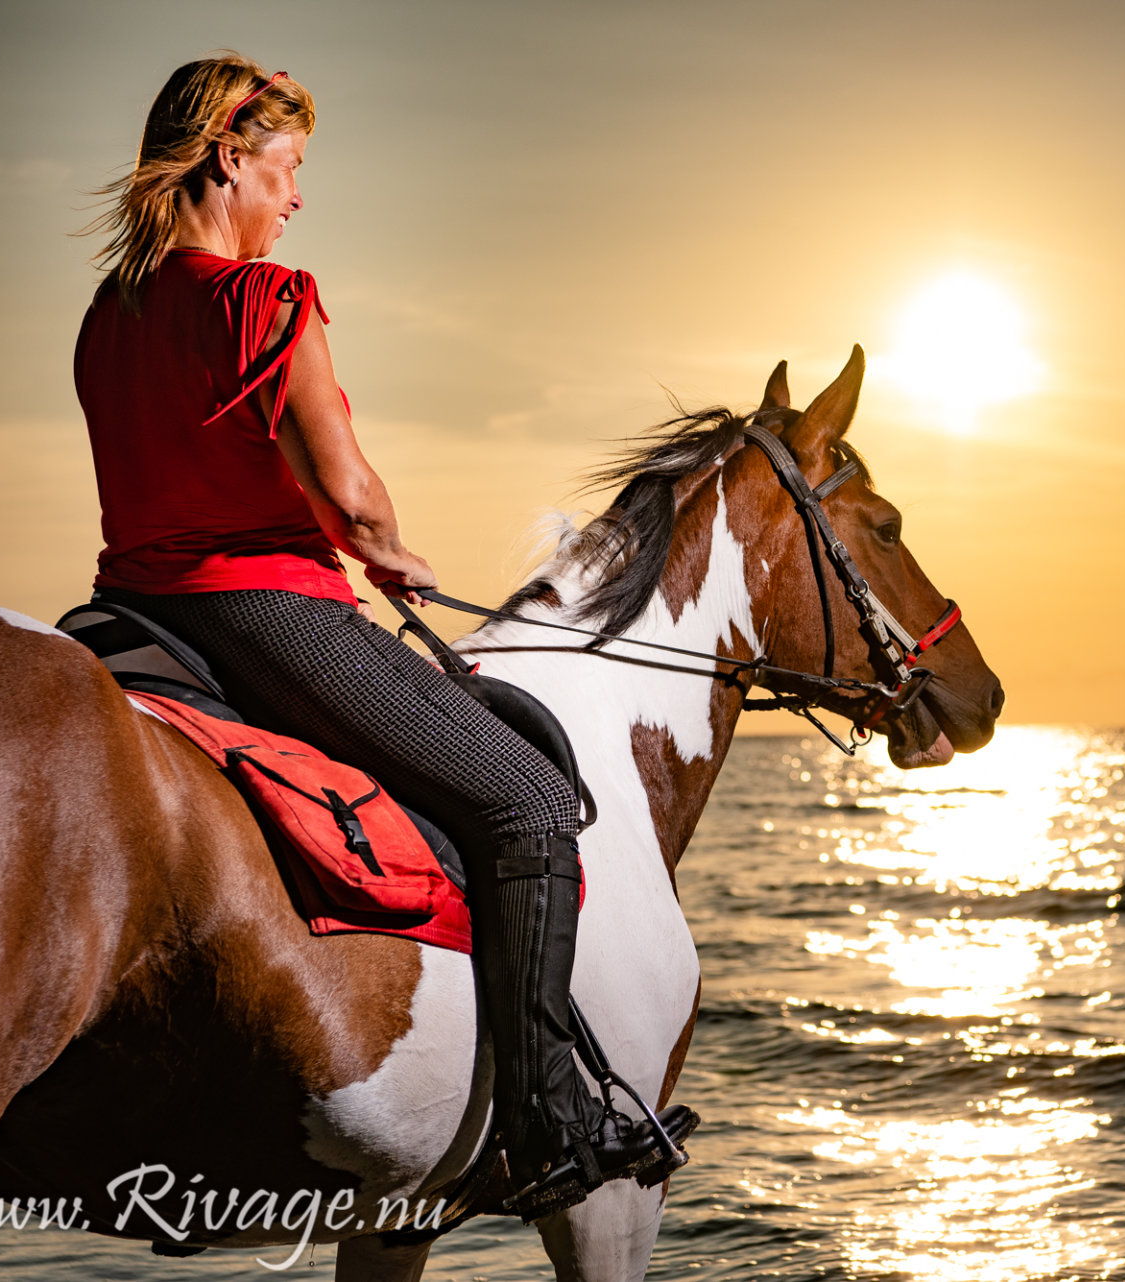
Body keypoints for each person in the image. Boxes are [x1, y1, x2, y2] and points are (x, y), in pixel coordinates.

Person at [73, 53, 690, 1220]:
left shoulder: (112, 314)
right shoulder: (267, 300)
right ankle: (548, 1120)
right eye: (287, 168)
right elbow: (342, 493)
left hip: (135, 614)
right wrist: (391, 550)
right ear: (229, 160)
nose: (294, 197)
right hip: (266, 613)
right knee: (526, 800)